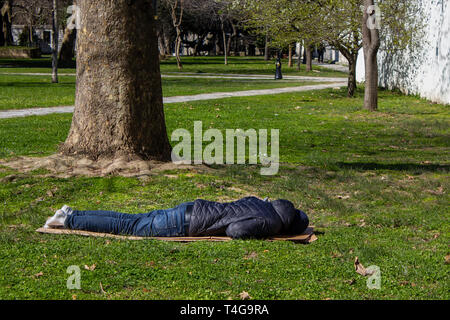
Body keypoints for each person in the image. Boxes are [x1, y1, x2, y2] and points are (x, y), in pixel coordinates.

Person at [44, 197, 309, 240]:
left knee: (131, 219)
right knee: (128, 226)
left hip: (193, 207)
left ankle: (72, 213)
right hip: (188, 223)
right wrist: (262, 235)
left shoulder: (263, 204)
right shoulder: (271, 224)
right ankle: (68, 221)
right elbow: (236, 231)